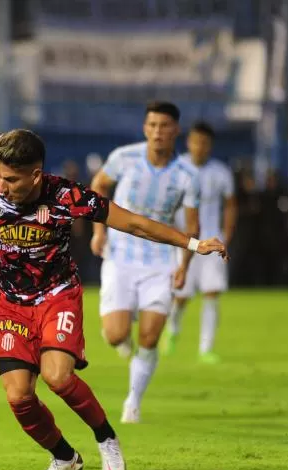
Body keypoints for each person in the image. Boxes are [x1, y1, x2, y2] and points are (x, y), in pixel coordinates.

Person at [0, 129, 226, 470]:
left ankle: (106, 437)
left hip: (57, 295)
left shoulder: (66, 196)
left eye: (11, 179)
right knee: (19, 396)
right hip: (11, 302)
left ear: (35, 175)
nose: (0, 185)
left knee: (58, 376)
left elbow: (133, 223)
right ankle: (64, 456)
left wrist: (192, 243)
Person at [91, 101, 202, 424]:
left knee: (151, 337)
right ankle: (120, 338)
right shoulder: (124, 158)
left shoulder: (186, 175)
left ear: (175, 131)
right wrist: (100, 231)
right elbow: (98, 187)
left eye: (164, 126)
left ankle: (133, 401)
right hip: (121, 256)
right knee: (114, 334)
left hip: (161, 260)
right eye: (152, 125)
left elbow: (192, 226)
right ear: (145, 128)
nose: (157, 132)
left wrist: (185, 265)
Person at [162, 122, 237, 362]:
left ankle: (206, 348)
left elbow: (231, 205)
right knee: (181, 295)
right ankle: (172, 331)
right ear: (189, 142)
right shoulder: (177, 169)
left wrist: (226, 234)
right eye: (196, 142)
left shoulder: (221, 173)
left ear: (210, 145)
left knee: (211, 293)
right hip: (185, 241)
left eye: (204, 143)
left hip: (213, 241)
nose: (200, 147)